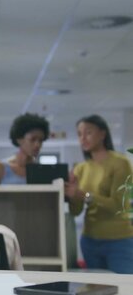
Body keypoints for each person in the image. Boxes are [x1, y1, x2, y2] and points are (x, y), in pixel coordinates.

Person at [65, 115, 133, 274]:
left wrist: (84, 195)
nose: (83, 138)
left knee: (125, 288)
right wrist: (72, 194)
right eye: (79, 134)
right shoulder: (80, 168)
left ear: (103, 134)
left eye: (88, 132)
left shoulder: (120, 163)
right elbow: (76, 211)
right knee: (96, 289)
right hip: (90, 240)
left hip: (119, 241)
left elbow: (118, 205)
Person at [0, 113, 50, 184]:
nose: (37, 145)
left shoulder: (41, 172)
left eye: (40, 140)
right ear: (19, 139)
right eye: (32, 139)